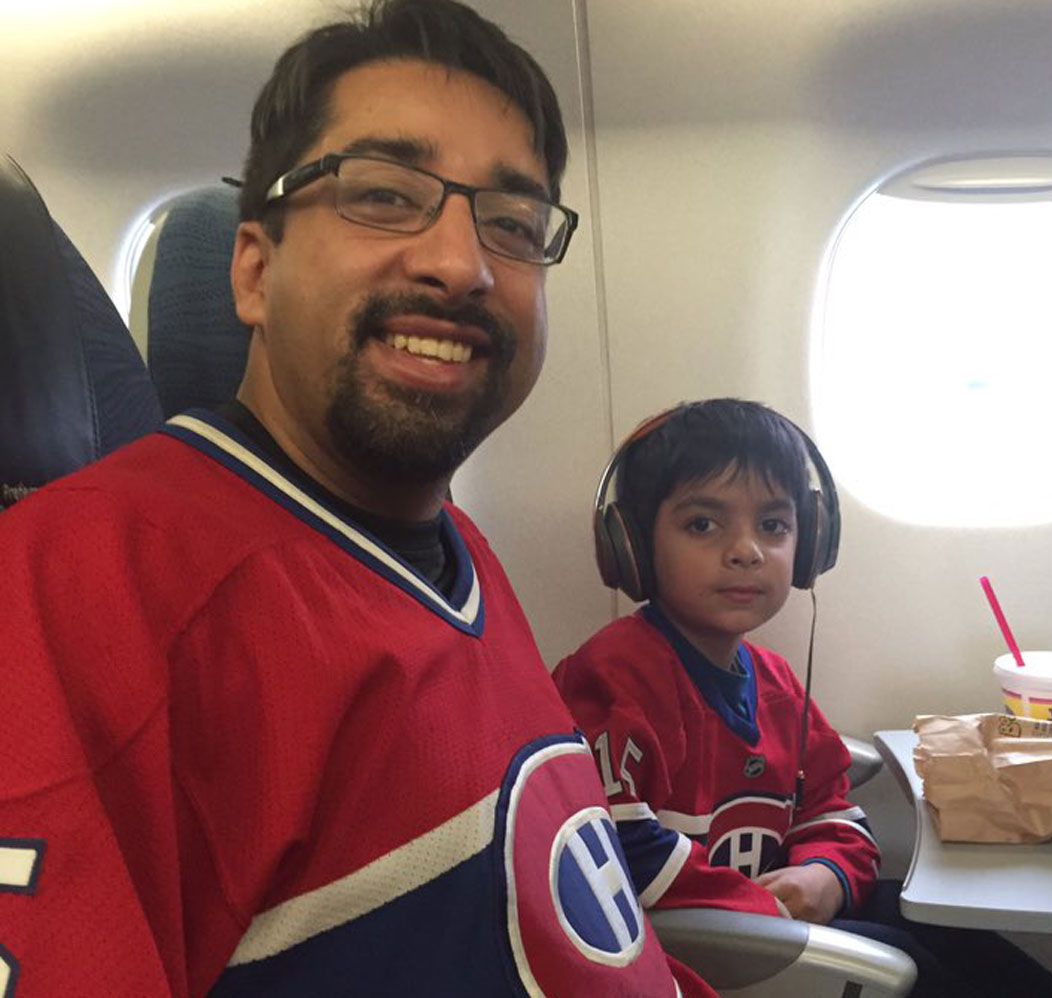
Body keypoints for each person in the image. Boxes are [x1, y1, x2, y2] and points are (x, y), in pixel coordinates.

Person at [0, 3, 714, 996]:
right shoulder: (78, 590)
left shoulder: (453, 548)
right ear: (254, 272)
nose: (461, 265)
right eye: (382, 195)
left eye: (511, 224)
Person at [554, 398, 1052, 998]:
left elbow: (830, 809)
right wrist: (767, 909)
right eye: (702, 525)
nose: (747, 550)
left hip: (778, 915)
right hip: (703, 949)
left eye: (773, 525)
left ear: (810, 544)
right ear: (634, 545)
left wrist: (825, 875)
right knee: (910, 964)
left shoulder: (775, 683)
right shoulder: (611, 678)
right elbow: (614, 854)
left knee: (955, 935)